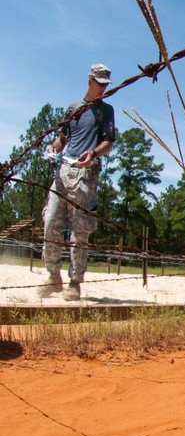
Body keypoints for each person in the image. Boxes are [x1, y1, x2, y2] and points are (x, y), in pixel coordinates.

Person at [39, 64, 116, 302]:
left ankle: (75, 283)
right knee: (51, 222)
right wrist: (54, 147)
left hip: (86, 175)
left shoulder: (106, 111)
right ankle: (53, 276)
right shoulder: (73, 108)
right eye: (100, 82)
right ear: (90, 79)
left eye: (106, 84)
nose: (103, 88)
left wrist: (92, 154)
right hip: (63, 171)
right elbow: (62, 138)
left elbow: (108, 142)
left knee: (80, 231)